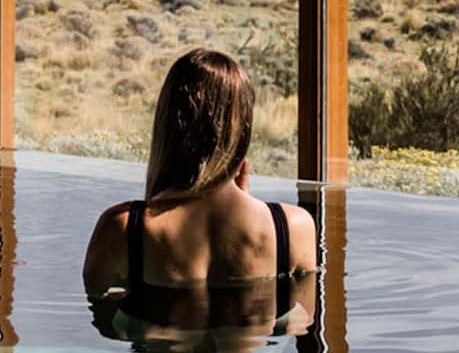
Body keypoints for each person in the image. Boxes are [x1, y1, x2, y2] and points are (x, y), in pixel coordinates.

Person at [83, 48, 318, 345]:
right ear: (243, 129)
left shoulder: (123, 229)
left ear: (167, 124)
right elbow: (298, 322)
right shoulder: (293, 228)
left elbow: (106, 324)